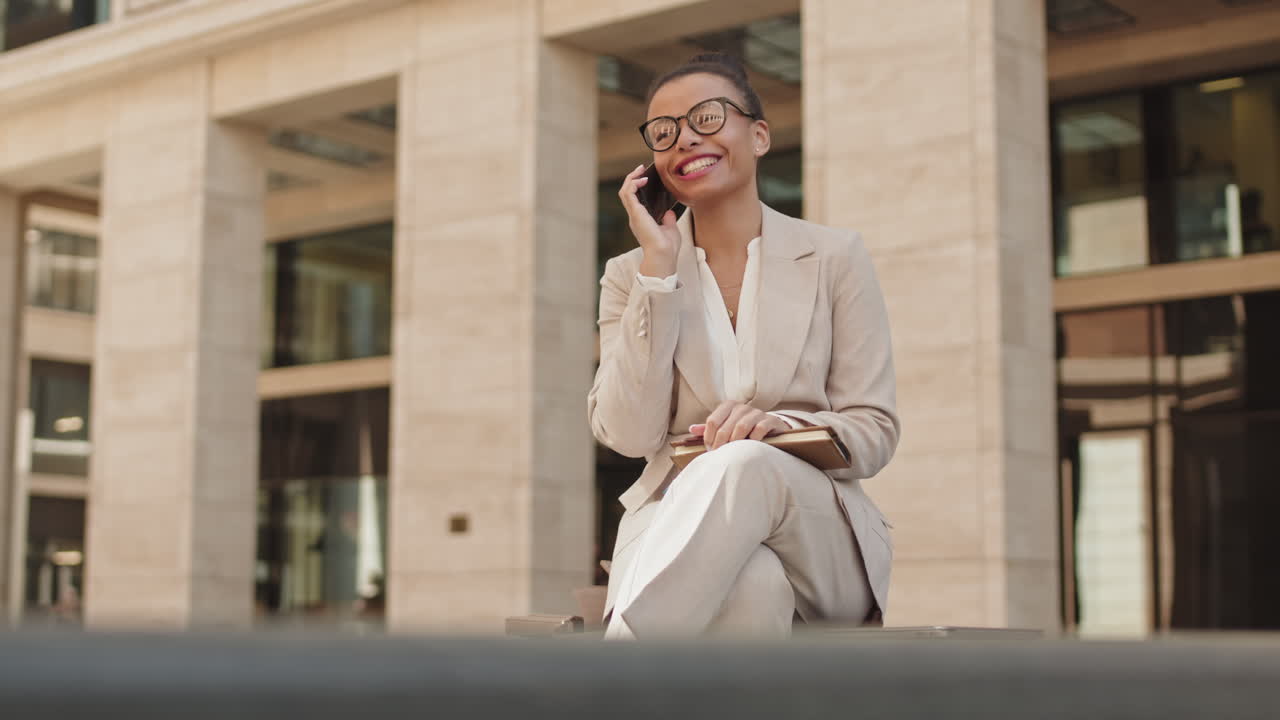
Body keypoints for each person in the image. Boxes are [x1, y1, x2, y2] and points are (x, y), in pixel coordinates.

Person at [589, 52, 900, 640]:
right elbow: (628, 434)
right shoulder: (630, 275)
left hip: (820, 538)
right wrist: (659, 274)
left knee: (743, 459)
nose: (684, 139)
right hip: (677, 541)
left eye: (706, 118)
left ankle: (610, 677)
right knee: (754, 583)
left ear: (758, 135)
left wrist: (778, 427)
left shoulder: (835, 257)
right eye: (665, 131)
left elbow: (874, 431)